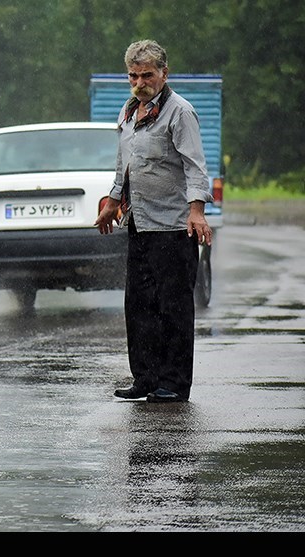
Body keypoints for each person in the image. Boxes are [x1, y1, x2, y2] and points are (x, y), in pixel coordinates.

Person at [94, 39, 213, 403]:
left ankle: (174, 384)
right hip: (140, 224)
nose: (140, 81)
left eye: (147, 74)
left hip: (174, 227)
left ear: (164, 73)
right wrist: (113, 201)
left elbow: (195, 167)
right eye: (133, 75)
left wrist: (197, 210)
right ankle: (144, 378)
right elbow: (124, 165)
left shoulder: (179, 112)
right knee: (139, 305)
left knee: (173, 308)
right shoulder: (128, 112)